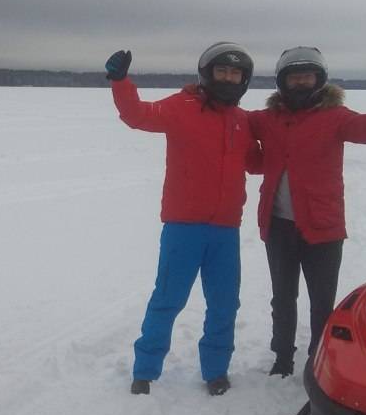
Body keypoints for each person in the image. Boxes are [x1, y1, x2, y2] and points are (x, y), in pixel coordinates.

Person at [106, 43, 259, 396]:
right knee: (167, 300)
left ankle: (216, 371)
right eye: (222, 71)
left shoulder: (242, 121)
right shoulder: (181, 107)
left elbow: (256, 162)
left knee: (224, 304)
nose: (228, 78)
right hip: (183, 228)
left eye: (235, 73)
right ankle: (145, 370)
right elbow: (138, 115)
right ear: (207, 73)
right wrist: (120, 81)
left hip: (226, 231)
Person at [248, 46, 366, 377]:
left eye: (307, 77)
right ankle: (282, 357)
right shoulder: (267, 119)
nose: (301, 82)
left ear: (319, 80)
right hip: (278, 226)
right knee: (283, 297)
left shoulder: (336, 117)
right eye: (294, 77)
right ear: (282, 82)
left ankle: (318, 357)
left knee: (322, 301)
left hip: (323, 226)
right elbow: (235, 124)